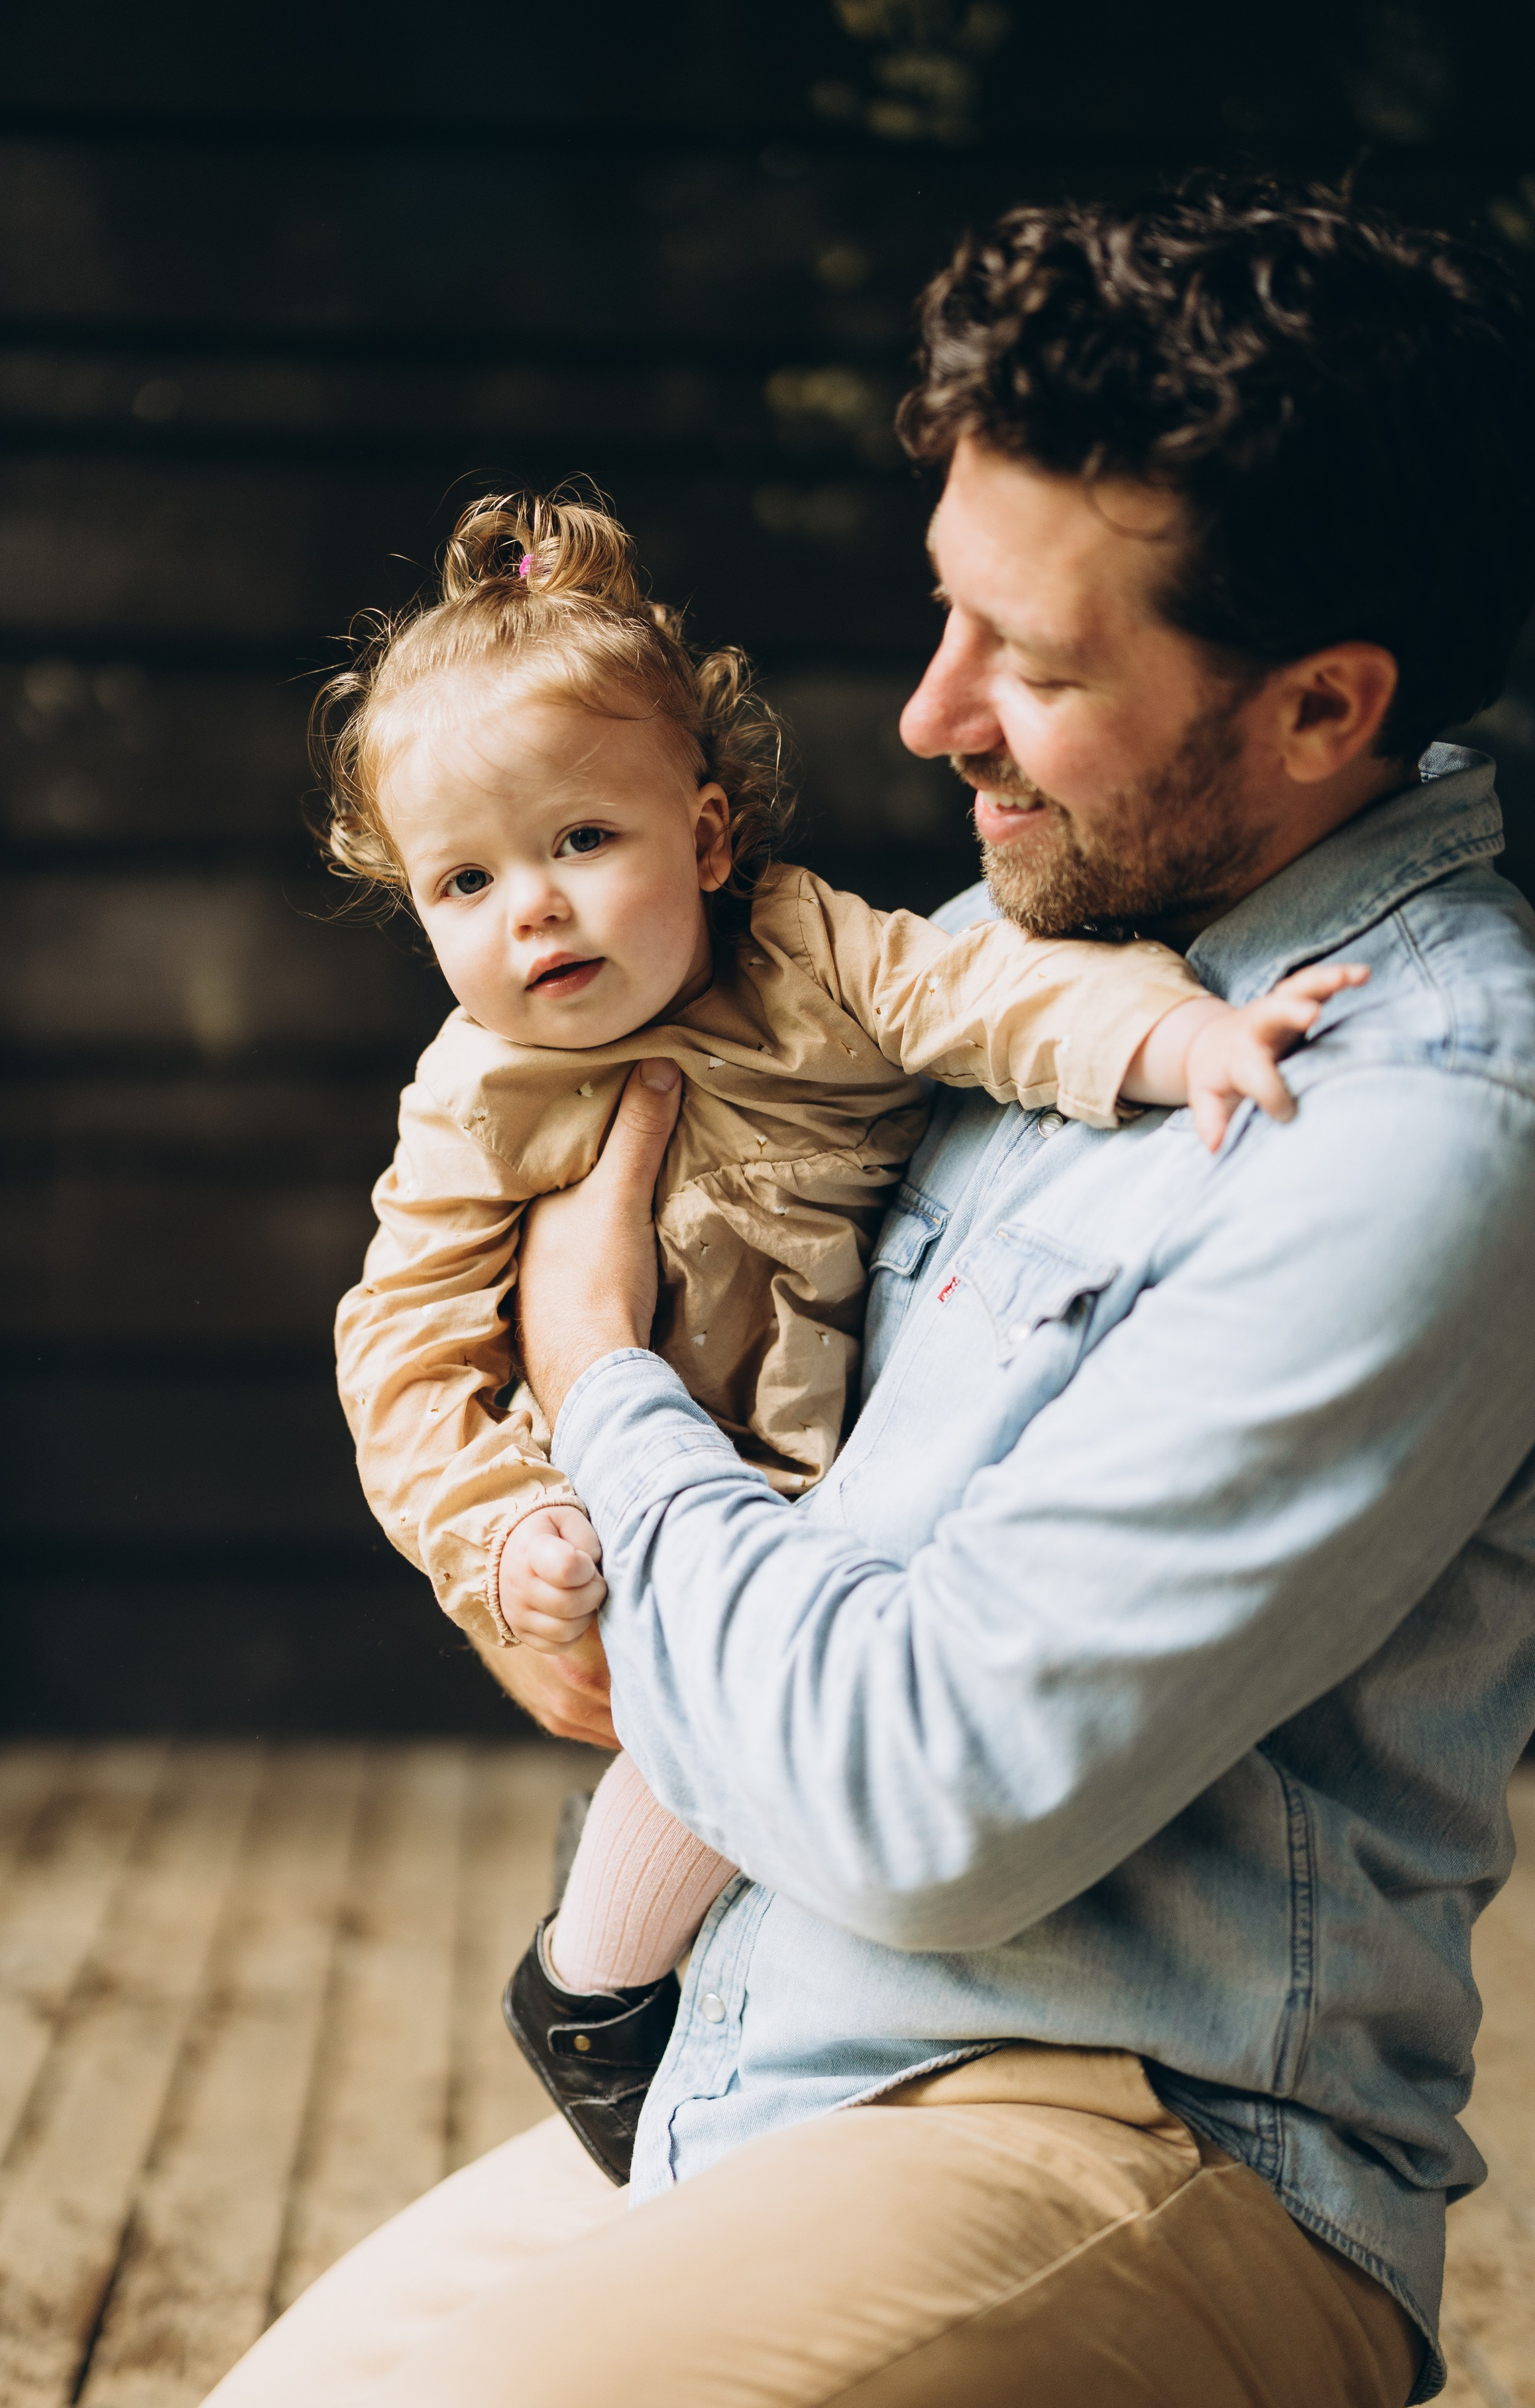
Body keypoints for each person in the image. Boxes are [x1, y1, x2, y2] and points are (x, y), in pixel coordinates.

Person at [89, 174, 1535, 2408]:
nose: (929, 714)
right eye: (944, 610)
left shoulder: (1414, 1133)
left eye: (1027, 661)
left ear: (1322, 705)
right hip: (749, 2075)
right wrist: (518, 1553)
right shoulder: (1002, 948)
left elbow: (925, 1801)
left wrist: (601, 1382)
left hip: (1128, 2129)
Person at [324, 487, 1347, 2182]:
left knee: (802, 1723)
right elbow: (404, 1355)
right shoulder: (474, 1100)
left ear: (707, 837)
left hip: (838, 1487)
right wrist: (498, 1534)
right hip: (637, 1513)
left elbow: (989, 992)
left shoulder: (811, 951)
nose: (533, 912)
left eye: (582, 841)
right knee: (717, 1736)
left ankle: (637, 1988)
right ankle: (593, 1994)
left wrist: (1177, 1043)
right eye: (465, 879)